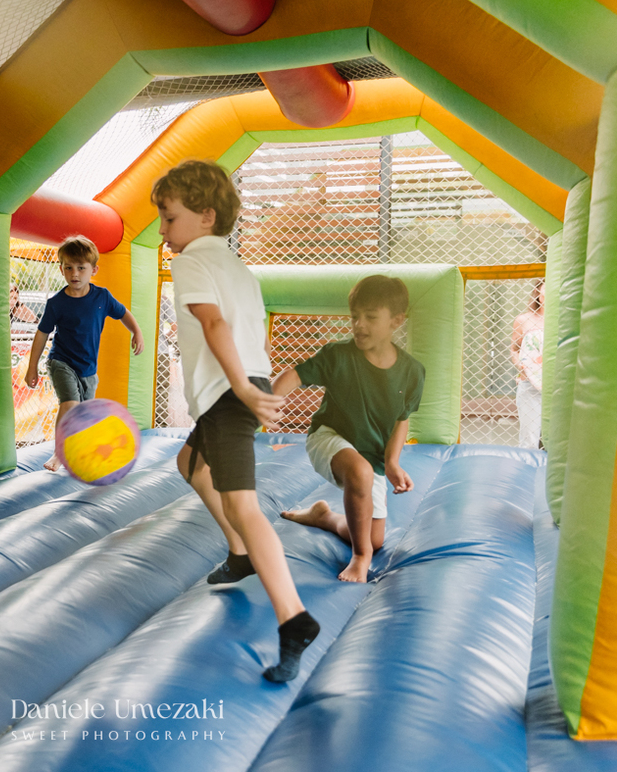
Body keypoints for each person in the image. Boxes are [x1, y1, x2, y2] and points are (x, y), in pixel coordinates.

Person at [152, 160, 320, 683]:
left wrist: (244, 391)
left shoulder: (191, 264)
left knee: (244, 505)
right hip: (242, 386)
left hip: (231, 393)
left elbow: (214, 323)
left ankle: (293, 618)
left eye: (169, 218)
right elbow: (249, 332)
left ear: (205, 218)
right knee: (190, 464)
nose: (162, 231)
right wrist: (255, 384)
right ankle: (240, 554)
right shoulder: (238, 268)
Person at [272, 275, 425, 584]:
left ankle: (323, 517)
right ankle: (360, 557)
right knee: (361, 476)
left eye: (370, 317)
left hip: (372, 455)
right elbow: (294, 375)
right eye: (355, 316)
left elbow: (401, 418)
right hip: (328, 437)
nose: (359, 325)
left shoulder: (411, 372)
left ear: (397, 320)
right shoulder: (338, 356)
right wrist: (268, 400)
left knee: (375, 538)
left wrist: (393, 462)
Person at [24, 236, 143, 471]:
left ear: (93, 269)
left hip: (88, 368)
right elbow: (42, 333)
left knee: (84, 414)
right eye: (68, 267)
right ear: (61, 269)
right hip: (61, 361)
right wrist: (32, 366)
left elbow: (123, 313)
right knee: (70, 403)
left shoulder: (102, 297)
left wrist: (136, 332)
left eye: (81, 268)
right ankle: (59, 452)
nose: (74, 273)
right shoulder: (56, 303)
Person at [511, 281, 545, 449]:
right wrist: (521, 365)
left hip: (558, 385)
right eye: (544, 289)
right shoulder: (523, 319)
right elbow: (514, 349)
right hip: (530, 383)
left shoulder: (565, 320)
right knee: (529, 438)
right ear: (538, 292)